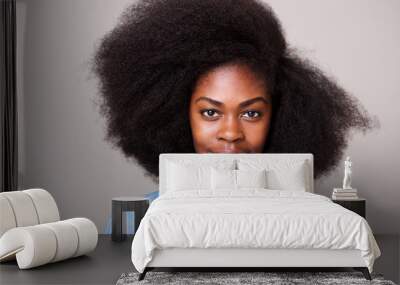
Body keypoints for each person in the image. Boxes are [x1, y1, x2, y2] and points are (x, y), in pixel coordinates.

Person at [92, 0, 373, 181]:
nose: (230, 133)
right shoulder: (148, 219)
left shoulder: (303, 220)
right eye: (210, 112)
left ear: (280, 119)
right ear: (178, 116)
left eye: (251, 113)